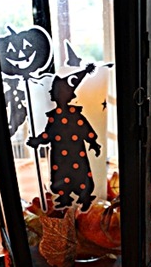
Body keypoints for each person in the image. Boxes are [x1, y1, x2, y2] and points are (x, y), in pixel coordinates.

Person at [27, 64, 101, 211]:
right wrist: (38, 140)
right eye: (55, 91)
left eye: (61, 91)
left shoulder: (74, 114)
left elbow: (85, 128)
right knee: (61, 175)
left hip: (76, 153)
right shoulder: (54, 116)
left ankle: (85, 197)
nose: (56, 94)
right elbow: (49, 134)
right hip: (59, 155)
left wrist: (93, 142)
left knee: (80, 175)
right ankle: (64, 197)